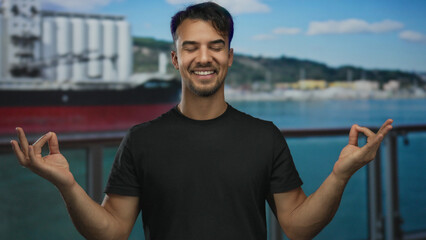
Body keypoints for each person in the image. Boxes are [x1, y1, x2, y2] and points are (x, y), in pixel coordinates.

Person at [11, 2, 393, 240]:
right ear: (176, 59)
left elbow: (297, 227)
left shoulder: (265, 136)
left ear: (230, 56)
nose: (203, 57)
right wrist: (67, 184)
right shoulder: (141, 139)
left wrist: (340, 174)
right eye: (190, 47)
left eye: (216, 45)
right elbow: (111, 231)